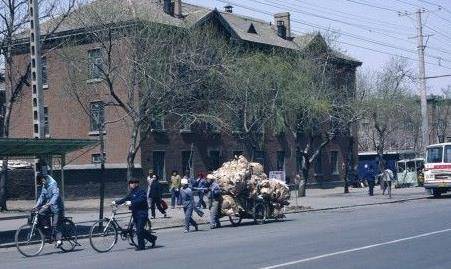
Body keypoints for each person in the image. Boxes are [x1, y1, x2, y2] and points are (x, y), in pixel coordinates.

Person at [113, 178, 156, 250]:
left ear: (136, 184)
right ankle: (152, 238)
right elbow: (125, 198)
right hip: (135, 213)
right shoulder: (132, 192)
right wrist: (116, 202)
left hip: (142, 213)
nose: (131, 184)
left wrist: (131, 203)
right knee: (139, 230)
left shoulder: (141, 191)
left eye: (132, 183)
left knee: (139, 230)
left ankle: (141, 246)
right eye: (130, 183)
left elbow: (141, 200)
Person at [33, 172, 64, 248]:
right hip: (49, 206)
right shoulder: (44, 185)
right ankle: (48, 230)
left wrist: (49, 203)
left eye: (43, 181)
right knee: (40, 212)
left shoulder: (53, 184)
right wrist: (36, 205)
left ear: (44, 178)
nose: (43, 183)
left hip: (57, 207)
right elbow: (42, 196)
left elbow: (55, 195)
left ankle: (59, 240)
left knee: (56, 224)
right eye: (41, 182)